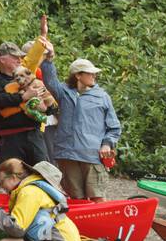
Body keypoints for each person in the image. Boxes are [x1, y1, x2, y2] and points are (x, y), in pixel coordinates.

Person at [39, 43, 121, 200]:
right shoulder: (64, 93)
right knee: (76, 199)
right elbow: (50, 81)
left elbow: (114, 127)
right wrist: (49, 59)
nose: (94, 76)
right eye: (90, 73)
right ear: (78, 75)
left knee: (98, 198)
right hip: (67, 154)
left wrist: (107, 144)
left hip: (92, 155)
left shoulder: (102, 97)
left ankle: (101, 224)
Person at [0, 159, 81, 241]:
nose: (1, 186)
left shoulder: (29, 192)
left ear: (13, 178)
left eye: (1, 182)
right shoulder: (35, 186)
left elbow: (17, 228)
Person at [0, 39, 51, 166]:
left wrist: (47, 106)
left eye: (20, 57)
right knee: (13, 179)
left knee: (44, 175)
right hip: (9, 139)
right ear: (2, 60)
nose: (19, 60)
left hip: (34, 136)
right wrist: (24, 97)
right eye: (15, 57)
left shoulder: (30, 78)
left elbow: (50, 105)